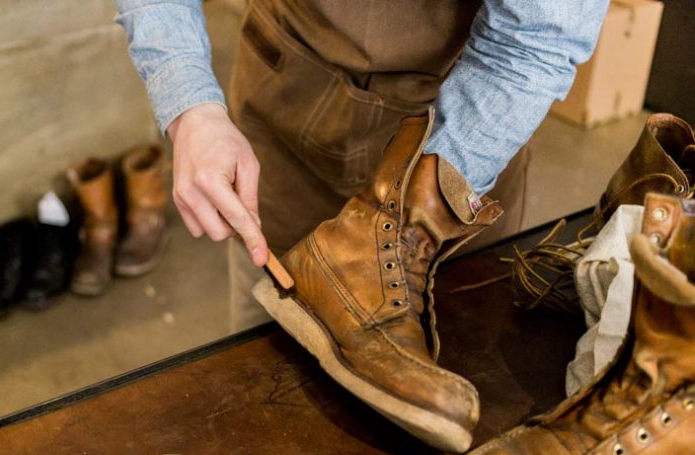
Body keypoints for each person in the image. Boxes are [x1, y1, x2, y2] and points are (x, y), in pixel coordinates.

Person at [115, 0, 608, 331]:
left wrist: (411, 225)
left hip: (461, 127)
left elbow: (533, 42)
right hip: (283, 88)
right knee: (261, 355)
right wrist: (188, 105)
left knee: (451, 367)